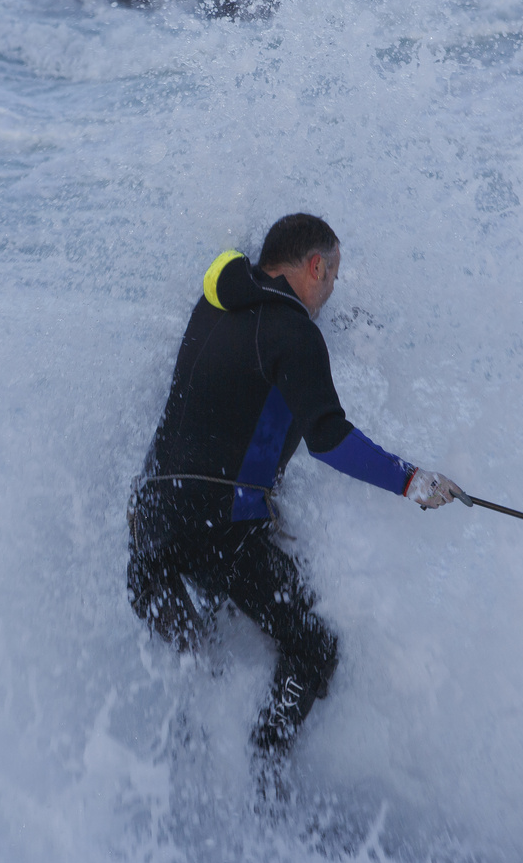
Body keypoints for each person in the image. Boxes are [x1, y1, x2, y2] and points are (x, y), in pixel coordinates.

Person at [127, 214, 463, 762]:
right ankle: (266, 786)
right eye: (332, 279)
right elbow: (328, 439)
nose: (330, 294)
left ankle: (184, 782)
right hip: (217, 530)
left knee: (210, 658)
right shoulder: (293, 333)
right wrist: (412, 480)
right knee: (313, 648)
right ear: (314, 267)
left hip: (148, 530)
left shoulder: (213, 301)